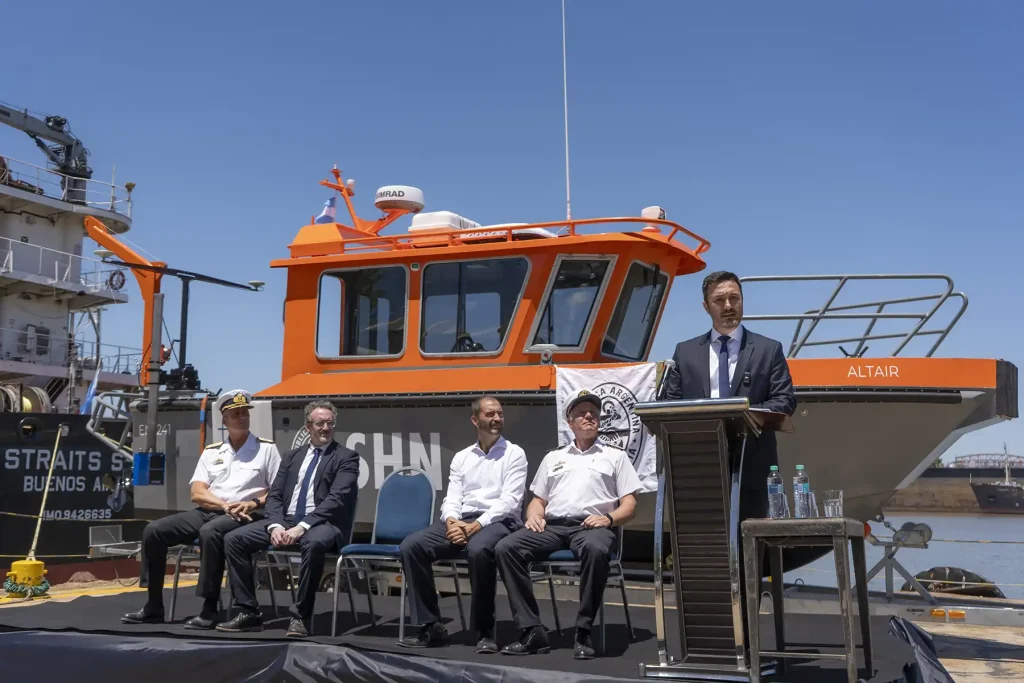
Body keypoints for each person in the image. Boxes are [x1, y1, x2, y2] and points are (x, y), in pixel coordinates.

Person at [495, 390, 643, 660]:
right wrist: (533, 515)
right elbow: (538, 500)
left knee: (597, 551)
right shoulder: (554, 457)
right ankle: (532, 630)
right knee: (506, 547)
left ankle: (584, 630)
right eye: (582, 413)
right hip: (552, 528)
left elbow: (630, 505)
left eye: (594, 413)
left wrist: (608, 519)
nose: (589, 416)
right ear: (570, 422)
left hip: (592, 527)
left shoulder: (615, 456)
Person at [122, 389, 281, 629]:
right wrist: (223, 504)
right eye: (236, 414)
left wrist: (252, 503)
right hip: (212, 510)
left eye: (245, 413)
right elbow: (197, 493)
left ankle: (209, 608)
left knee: (210, 532)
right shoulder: (212, 451)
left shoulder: (266, 449)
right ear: (224, 420)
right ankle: (153, 605)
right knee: (153, 530)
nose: (242, 417)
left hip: (247, 514)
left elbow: (278, 491)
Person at [661, 270, 796, 520]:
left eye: (734, 298)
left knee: (753, 547)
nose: (728, 306)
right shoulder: (685, 352)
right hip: (700, 465)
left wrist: (745, 418)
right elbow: (671, 403)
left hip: (752, 463)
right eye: (719, 300)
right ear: (706, 306)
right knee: (705, 542)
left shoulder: (769, 349)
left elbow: (784, 400)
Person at [217, 400, 360, 637]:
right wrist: (275, 525)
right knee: (233, 539)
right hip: (286, 520)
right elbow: (275, 495)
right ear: (307, 426)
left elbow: (336, 500)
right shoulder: (292, 456)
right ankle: (248, 612)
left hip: (323, 524)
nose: (325, 428)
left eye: (330, 423)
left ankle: (300, 616)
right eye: (320, 423)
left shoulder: (346, 457)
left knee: (313, 543)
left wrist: (302, 527)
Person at [397, 396, 528, 653]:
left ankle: (485, 631)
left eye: (500, 414)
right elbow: (452, 497)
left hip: (499, 521)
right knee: (411, 546)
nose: (497, 419)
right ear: (475, 419)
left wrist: (475, 526)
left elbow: (510, 502)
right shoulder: (462, 457)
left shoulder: (514, 454)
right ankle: (431, 626)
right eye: (490, 414)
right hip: (463, 520)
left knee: (479, 550)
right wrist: (452, 522)